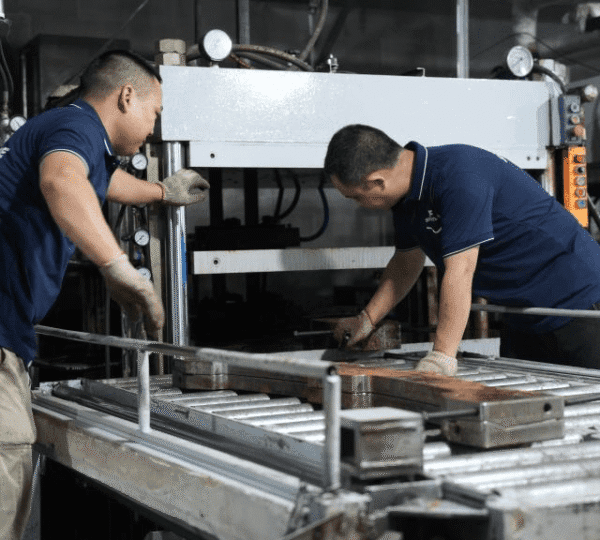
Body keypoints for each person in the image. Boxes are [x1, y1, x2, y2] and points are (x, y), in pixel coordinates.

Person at [0, 50, 209, 540]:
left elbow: (101, 179)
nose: (153, 129)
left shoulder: (65, 128)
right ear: (126, 96)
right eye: (154, 113)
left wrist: (161, 192)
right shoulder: (77, 127)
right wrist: (118, 267)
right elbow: (62, 180)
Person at [324, 124, 600, 375]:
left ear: (377, 182)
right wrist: (367, 319)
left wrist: (442, 356)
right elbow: (407, 261)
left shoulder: (459, 176)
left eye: (355, 197)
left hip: (579, 302)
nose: (358, 204)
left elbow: (461, 270)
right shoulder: (408, 198)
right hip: (523, 313)